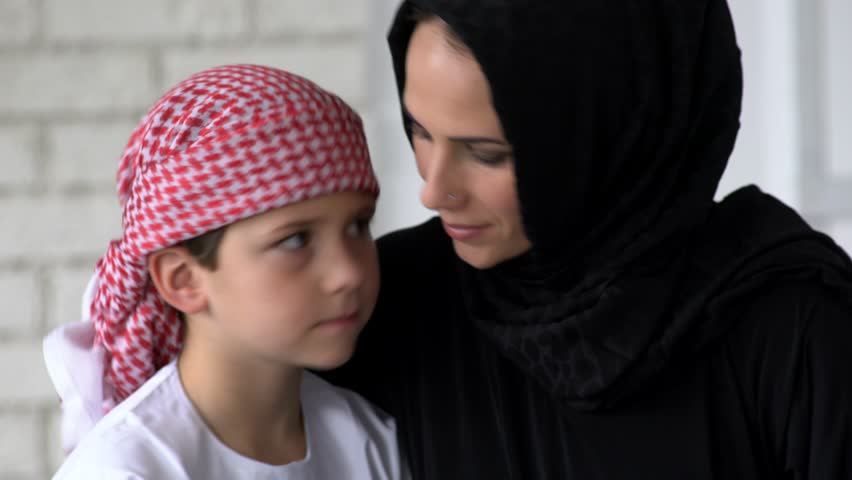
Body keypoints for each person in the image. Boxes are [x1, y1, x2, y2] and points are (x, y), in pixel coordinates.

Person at [323, 1, 852, 478]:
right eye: (419, 131)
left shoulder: (791, 322)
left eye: (487, 153)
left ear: (615, 134)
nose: (433, 191)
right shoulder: (385, 303)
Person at [43, 64, 406, 479]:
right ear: (183, 280)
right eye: (295, 240)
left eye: (359, 225)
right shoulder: (128, 469)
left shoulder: (370, 439)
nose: (348, 273)